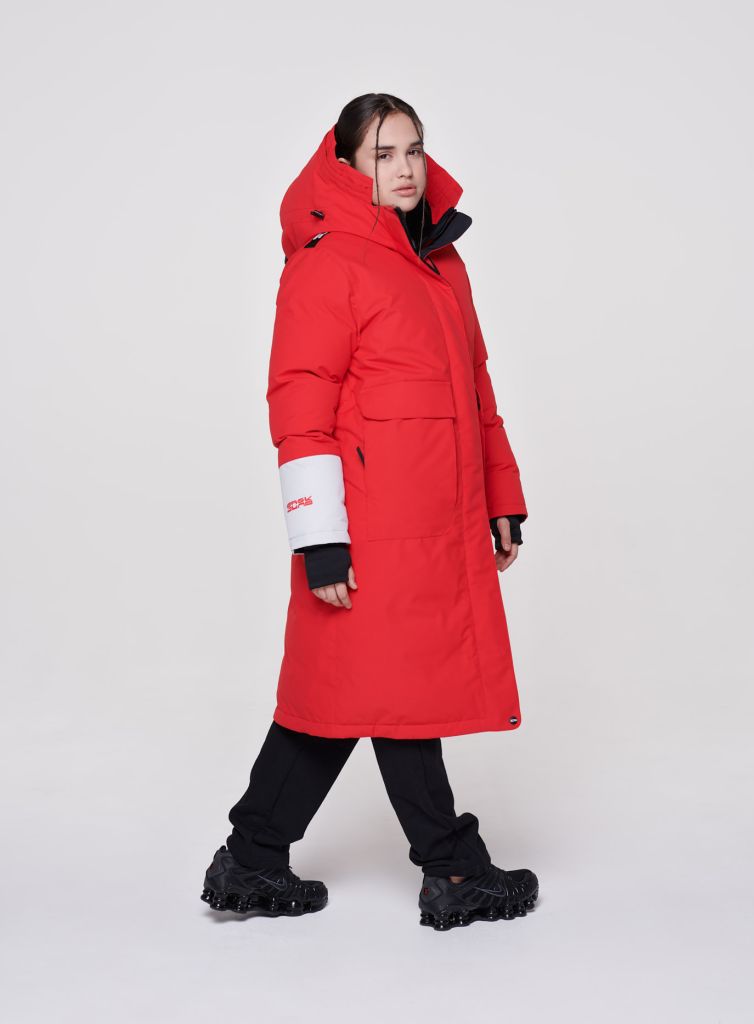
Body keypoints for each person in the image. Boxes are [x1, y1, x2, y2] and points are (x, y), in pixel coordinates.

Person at [200, 94, 539, 931]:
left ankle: (252, 857)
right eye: (384, 153)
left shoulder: (439, 265)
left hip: (436, 524)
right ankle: (453, 869)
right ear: (348, 167)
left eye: (414, 149)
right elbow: (300, 406)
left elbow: (475, 393)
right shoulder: (327, 264)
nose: (405, 167)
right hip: (368, 527)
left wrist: (501, 498)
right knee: (393, 688)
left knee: (347, 692)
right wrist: (319, 538)